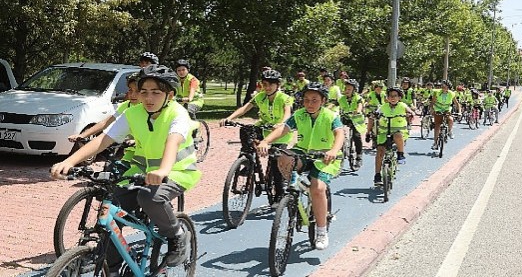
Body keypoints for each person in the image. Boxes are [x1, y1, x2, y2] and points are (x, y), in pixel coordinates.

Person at [51, 65, 201, 273]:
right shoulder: (134, 113)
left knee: (150, 198)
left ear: (170, 94)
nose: (149, 98)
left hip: (176, 171)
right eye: (144, 92)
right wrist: (71, 161)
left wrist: (162, 171)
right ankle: (112, 269)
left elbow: (172, 143)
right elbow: (104, 139)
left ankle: (176, 235)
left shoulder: (178, 114)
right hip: (141, 170)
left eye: (156, 93)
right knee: (111, 212)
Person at [256, 82, 344, 250]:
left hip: (324, 157)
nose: (310, 104)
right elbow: (284, 129)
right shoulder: (299, 115)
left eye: (314, 100)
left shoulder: (331, 116)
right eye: (306, 100)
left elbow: (339, 134)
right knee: (283, 156)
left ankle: (321, 230)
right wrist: (266, 141)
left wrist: (333, 150)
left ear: (323, 101)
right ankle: (294, 190)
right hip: (303, 152)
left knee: (317, 188)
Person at [219, 69, 293, 203]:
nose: (268, 87)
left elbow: (288, 113)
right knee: (246, 130)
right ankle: (248, 162)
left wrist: (282, 123)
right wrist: (229, 118)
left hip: (280, 133)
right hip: (264, 128)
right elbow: (245, 108)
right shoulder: (260, 96)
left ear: (278, 85)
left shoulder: (285, 98)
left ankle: (280, 194)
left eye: (271, 84)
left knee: (276, 164)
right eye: (265, 84)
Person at [367, 87, 414, 182]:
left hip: (399, 132)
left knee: (397, 135)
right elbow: (374, 116)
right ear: (387, 98)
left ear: (399, 97)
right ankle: (377, 174)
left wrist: (410, 114)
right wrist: (369, 126)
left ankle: (400, 154)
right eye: (390, 96)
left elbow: (411, 112)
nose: (392, 98)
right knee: (380, 151)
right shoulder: (383, 107)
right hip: (384, 132)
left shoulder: (402, 105)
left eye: (395, 96)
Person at [338, 79, 366, 168]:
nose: (346, 91)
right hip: (345, 118)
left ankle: (359, 156)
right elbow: (334, 104)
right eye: (346, 89)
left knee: (356, 136)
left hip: (356, 120)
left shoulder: (358, 98)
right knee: (337, 132)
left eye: (349, 89)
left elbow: (360, 106)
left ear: (354, 90)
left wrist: (358, 110)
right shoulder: (342, 98)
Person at [430, 80, 461, 150]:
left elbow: (457, 104)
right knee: (437, 125)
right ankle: (435, 143)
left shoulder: (452, 94)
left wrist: (459, 112)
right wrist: (432, 110)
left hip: (447, 109)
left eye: (445, 86)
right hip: (438, 108)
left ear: (448, 87)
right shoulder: (437, 92)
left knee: (450, 119)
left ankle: (450, 131)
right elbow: (432, 102)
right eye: (442, 86)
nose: (443, 88)